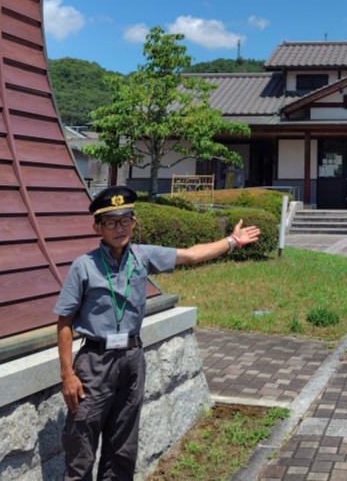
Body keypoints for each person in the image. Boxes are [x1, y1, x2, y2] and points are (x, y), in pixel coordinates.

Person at [54, 185, 261, 481]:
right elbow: (64, 321)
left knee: (123, 445)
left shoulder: (143, 256)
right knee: (81, 443)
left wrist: (232, 241)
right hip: (94, 362)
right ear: (97, 227)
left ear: (134, 222)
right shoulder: (83, 266)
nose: (119, 227)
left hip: (131, 358)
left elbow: (190, 255)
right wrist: (67, 374)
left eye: (125, 220)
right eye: (111, 222)